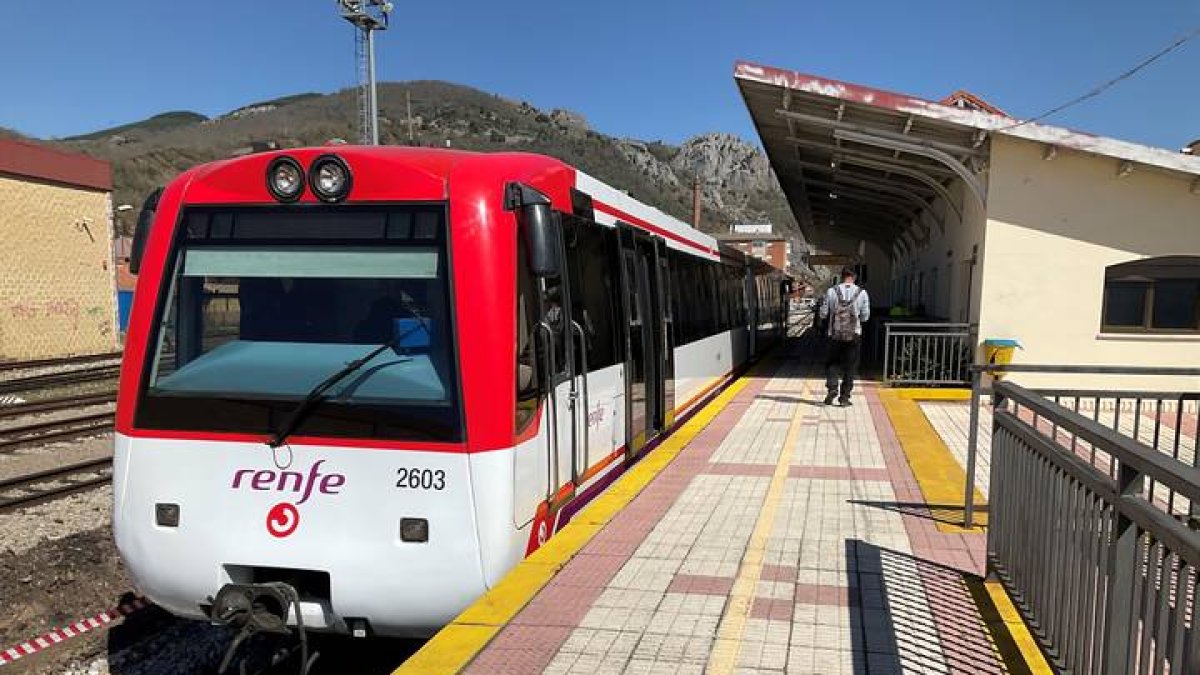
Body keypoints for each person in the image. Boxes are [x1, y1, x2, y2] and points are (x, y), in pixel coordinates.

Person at [818, 268, 870, 406]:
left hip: (834, 334)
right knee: (850, 366)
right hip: (854, 335)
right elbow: (865, 317)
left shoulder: (831, 291)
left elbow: (823, 313)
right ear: (854, 277)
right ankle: (844, 398)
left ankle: (832, 388)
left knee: (832, 363)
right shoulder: (862, 293)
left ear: (842, 277)